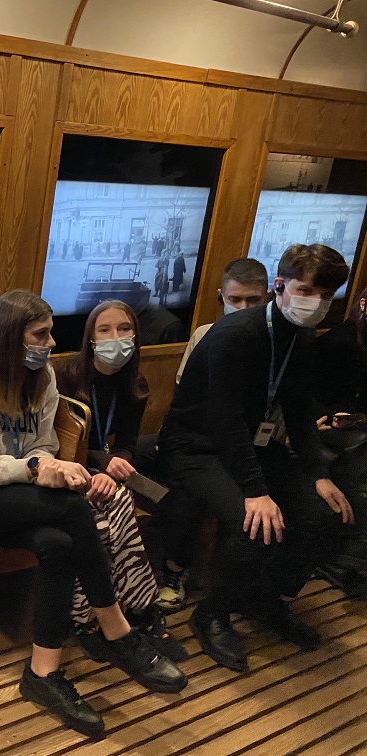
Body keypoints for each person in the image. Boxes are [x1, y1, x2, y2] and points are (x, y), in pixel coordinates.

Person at [0, 289, 186, 740]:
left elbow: (43, 444)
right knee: (71, 509)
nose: (50, 343)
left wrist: (52, 466)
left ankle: (42, 673)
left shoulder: (42, 376)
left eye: (49, 334)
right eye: (40, 335)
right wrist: (34, 468)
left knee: (58, 543)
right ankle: (116, 629)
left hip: (17, 487)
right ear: (9, 337)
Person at [157, 244, 353, 674]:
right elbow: (223, 419)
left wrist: (317, 473)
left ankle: (265, 598)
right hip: (196, 446)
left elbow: (298, 409)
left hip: (250, 444)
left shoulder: (301, 336)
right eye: (307, 291)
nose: (316, 302)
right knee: (252, 524)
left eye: (326, 295)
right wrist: (256, 491)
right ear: (279, 287)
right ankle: (212, 613)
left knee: (323, 513)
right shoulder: (235, 335)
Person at [53, 301, 187, 664]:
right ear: (91, 338)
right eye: (105, 329)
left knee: (115, 512)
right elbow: (59, 445)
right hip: (64, 469)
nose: (116, 337)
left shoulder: (135, 383)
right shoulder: (65, 377)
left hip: (101, 474)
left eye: (125, 329)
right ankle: (133, 610)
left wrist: (115, 466)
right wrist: (102, 464)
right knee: (108, 515)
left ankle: (102, 616)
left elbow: (126, 443)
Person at [148, 258, 269, 614]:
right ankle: (175, 572)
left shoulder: (270, 339)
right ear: (221, 297)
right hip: (198, 441)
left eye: (253, 300)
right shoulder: (206, 334)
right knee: (189, 492)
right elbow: (184, 395)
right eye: (235, 300)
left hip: (245, 442)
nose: (243, 308)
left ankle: (233, 583)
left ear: (268, 298)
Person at [309, 284, 367, 597]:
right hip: (326, 425)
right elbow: (307, 397)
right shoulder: (338, 343)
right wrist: (334, 415)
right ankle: (349, 559)